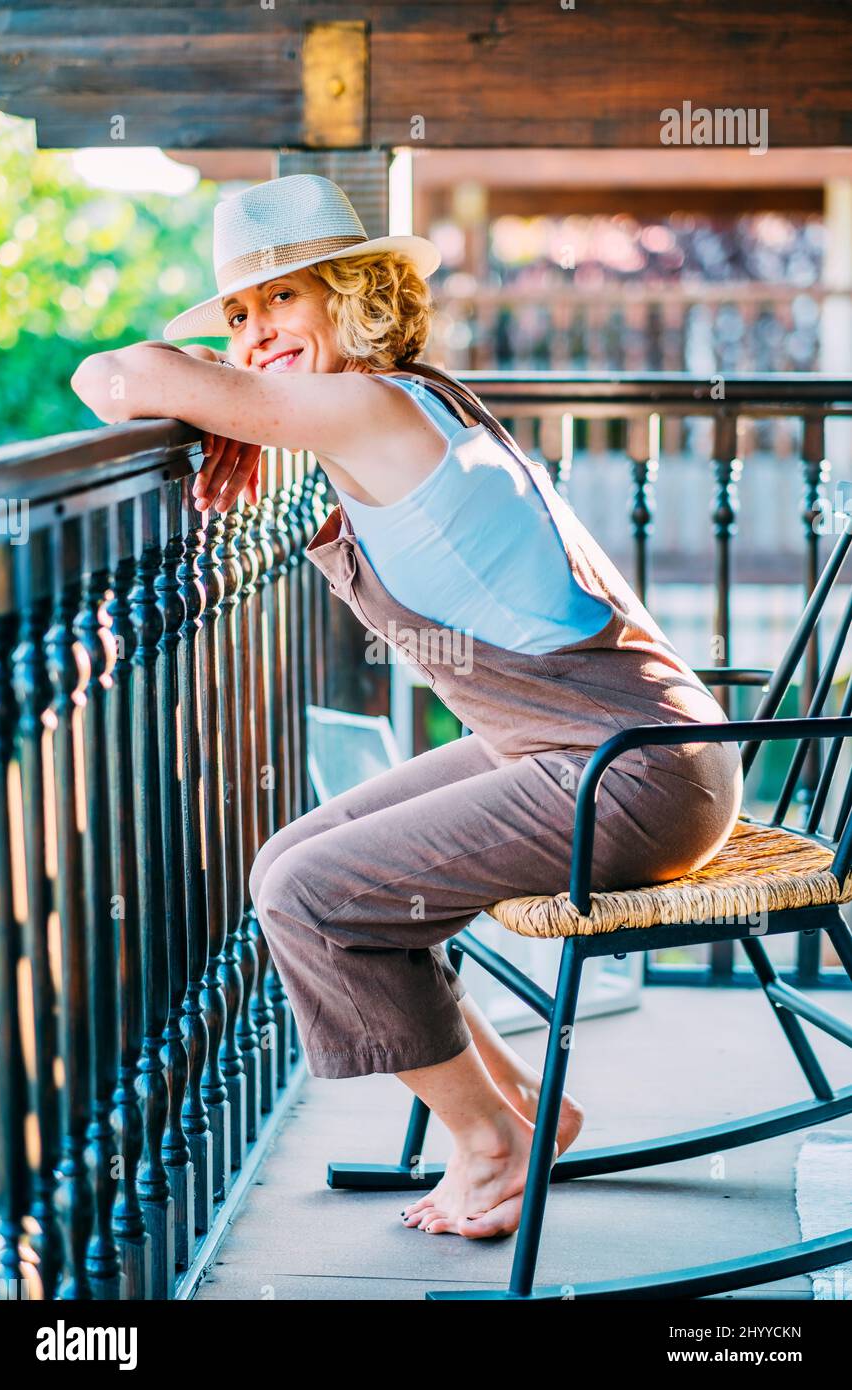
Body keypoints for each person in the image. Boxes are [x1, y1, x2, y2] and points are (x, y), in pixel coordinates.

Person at [71, 173, 744, 1240]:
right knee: (296, 854)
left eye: (283, 299)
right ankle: (522, 1099)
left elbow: (109, 379)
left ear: (355, 292)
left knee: (309, 895)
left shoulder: (364, 405)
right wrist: (235, 395)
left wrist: (212, 391)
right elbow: (197, 386)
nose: (255, 334)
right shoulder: (412, 395)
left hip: (629, 774)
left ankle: (486, 1142)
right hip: (625, 745)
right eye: (237, 317)